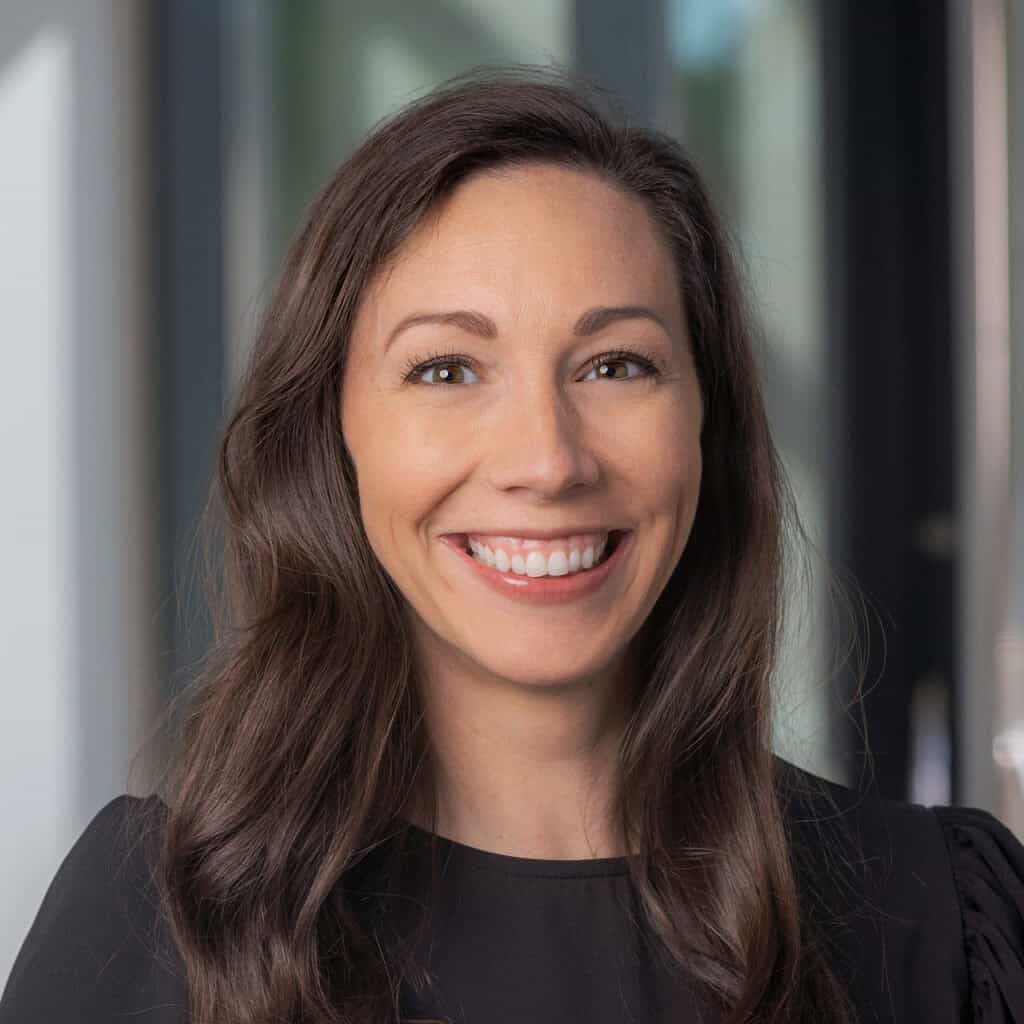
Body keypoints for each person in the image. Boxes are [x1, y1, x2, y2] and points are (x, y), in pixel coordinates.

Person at [2, 66, 1022, 1024]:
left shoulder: (937, 919)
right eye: (446, 370)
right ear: (333, 433)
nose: (547, 460)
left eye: (615, 365)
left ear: (706, 424)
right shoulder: (153, 928)